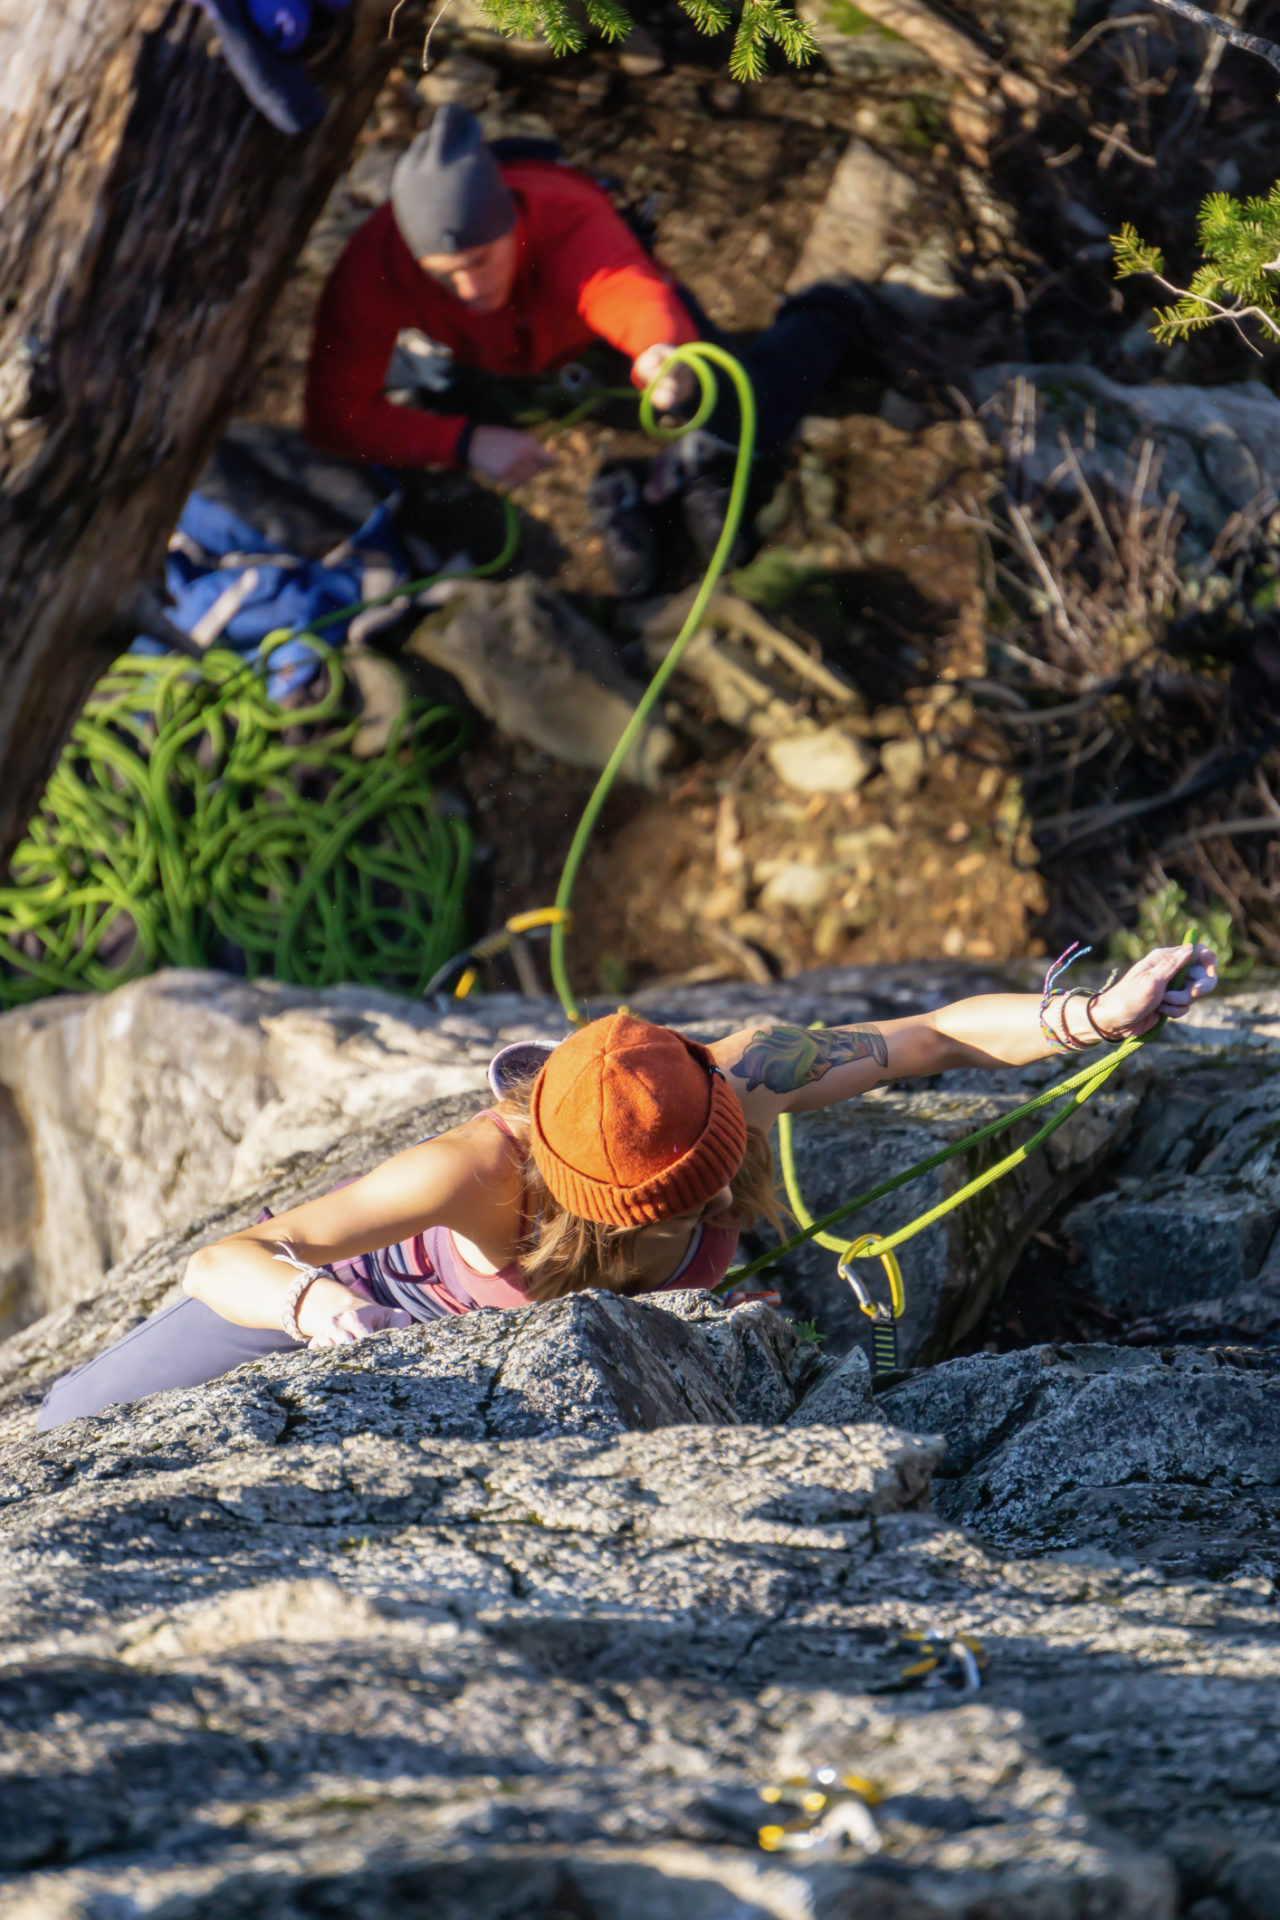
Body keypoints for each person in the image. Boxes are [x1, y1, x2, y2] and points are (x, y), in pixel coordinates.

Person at [38, 941, 1216, 1430]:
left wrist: (1090, 1014)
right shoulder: (475, 1173)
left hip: (523, 1348)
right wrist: (334, 1316)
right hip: (315, 1318)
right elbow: (227, 1261)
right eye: (681, 1207)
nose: (712, 1210)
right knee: (63, 1425)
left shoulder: (732, 1085)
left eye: (707, 1192)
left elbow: (930, 1039)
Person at [303, 104, 875, 595]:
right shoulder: (374, 269)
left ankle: (830, 314)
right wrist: (466, 442)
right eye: (444, 275)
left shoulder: (565, 220)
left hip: (581, 331)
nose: (470, 288)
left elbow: (624, 286)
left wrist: (660, 349)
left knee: (757, 413)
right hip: (510, 355)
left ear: (512, 222)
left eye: (481, 260)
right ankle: (683, 459)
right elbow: (333, 416)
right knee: (454, 391)